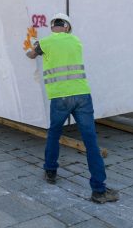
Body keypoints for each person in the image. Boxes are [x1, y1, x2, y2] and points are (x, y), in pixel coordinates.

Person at [25, 13, 119, 204]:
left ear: (53, 27)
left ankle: (50, 172)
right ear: (67, 27)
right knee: (90, 141)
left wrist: (31, 43)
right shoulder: (76, 41)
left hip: (59, 98)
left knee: (54, 134)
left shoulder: (46, 42)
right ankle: (99, 191)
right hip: (81, 96)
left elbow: (31, 55)